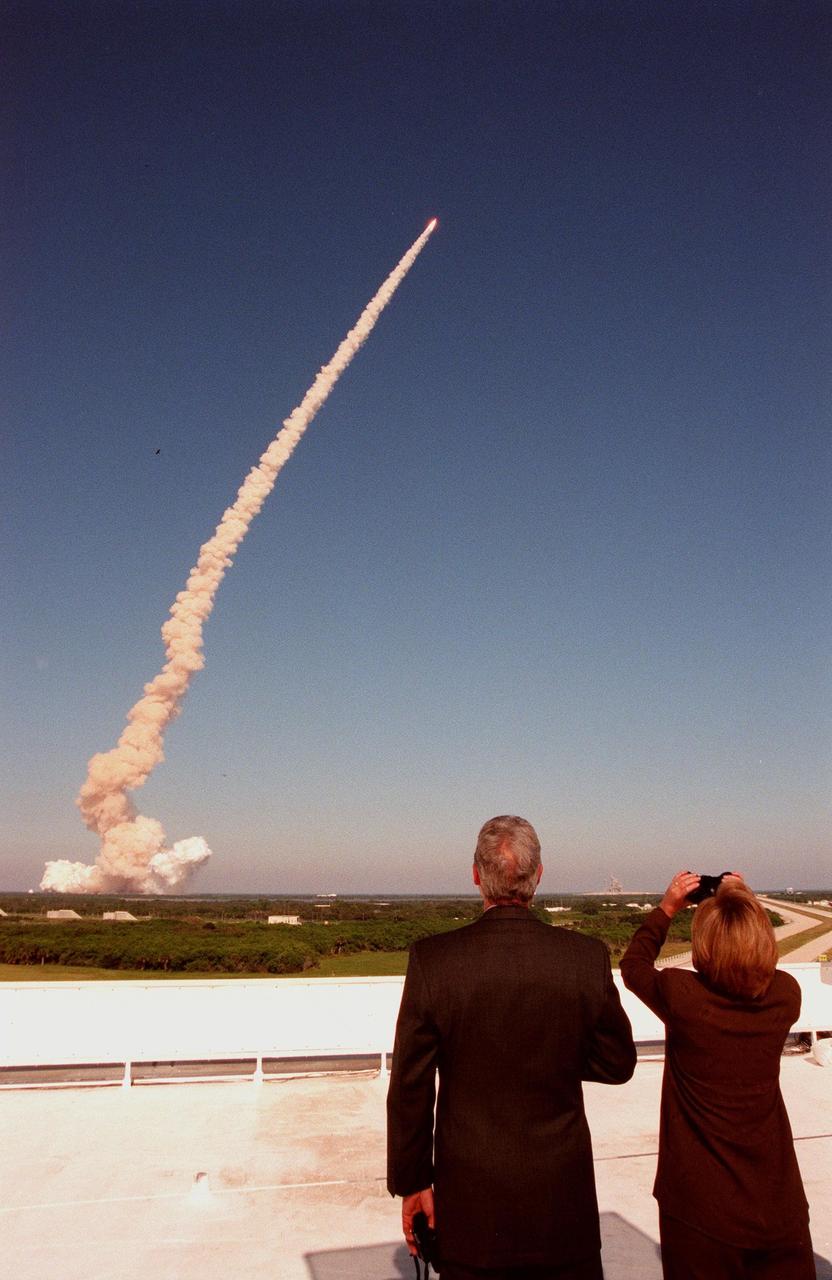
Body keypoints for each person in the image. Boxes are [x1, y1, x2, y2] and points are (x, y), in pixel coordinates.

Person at [386, 815, 637, 1280]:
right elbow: (618, 1062)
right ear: (538, 875)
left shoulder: (434, 961)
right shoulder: (584, 957)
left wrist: (414, 1182)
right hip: (564, 1211)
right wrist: (556, 1053)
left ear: (476, 874)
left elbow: (409, 1088)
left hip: (472, 1213)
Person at [620, 872, 814, 1280]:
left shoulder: (682, 996)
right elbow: (760, 966)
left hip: (699, 1211)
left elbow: (634, 964)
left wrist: (668, 907)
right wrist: (740, 898)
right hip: (778, 1206)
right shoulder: (785, 996)